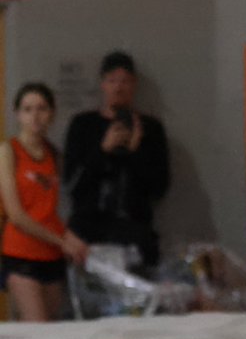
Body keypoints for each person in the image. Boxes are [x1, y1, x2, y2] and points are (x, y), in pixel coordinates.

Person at [63, 51, 170, 267]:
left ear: (134, 85)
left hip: (134, 231)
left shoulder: (151, 129)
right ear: (102, 84)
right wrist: (103, 149)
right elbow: (72, 183)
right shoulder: (83, 125)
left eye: (124, 81)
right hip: (88, 230)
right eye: (112, 80)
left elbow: (159, 188)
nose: (118, 87)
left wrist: (135, 151)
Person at [0, 83, 89, 321]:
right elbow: (16, 215)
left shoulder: (54, 155)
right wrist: (61, 241)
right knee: (37, 326)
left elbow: (53, 208)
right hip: (21, 251)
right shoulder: (9, 151)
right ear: (18, 114)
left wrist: (69, 238)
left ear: (51, 113)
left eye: (41, 109)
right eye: (28, 109)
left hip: (51, 253)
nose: (35, 116)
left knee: (50, 329)